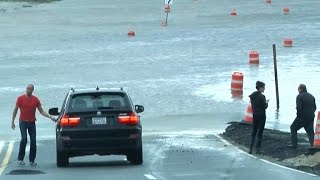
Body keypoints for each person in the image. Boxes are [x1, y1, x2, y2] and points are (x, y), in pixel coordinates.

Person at [11, 84, 56, 166]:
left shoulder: (35, 99)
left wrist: (50, 117)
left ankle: (32, 160)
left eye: (30, 89)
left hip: (32, 123)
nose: (28, 90)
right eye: (27, 88)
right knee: (24, 139)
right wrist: (12, 121)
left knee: (33, 141)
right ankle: (20, 159)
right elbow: (15, 110)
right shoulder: (20, 98)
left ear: (32, 90)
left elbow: (41, 111)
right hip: (23, 122)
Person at [290, 84, 316, 148]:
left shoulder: (299, 96)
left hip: (302, 117)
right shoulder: (311, 96)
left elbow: (299, 107)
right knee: (310, 132)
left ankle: (294, 145)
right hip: (311, 116)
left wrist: (299, 116)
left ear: (300, 89)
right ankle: (313, 145)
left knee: (293, 128)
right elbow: (315, 107)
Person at [249, 81, 268, 154]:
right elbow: (264, 106)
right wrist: (266, 103)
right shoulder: (262, 96)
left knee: (254, 131)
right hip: (262, 115)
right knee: (260, 132)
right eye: (263, 87)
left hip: (255, 115)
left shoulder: (252, 96)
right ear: (260, 88)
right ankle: (258, 149)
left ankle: (250, 148)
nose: (264, 89)